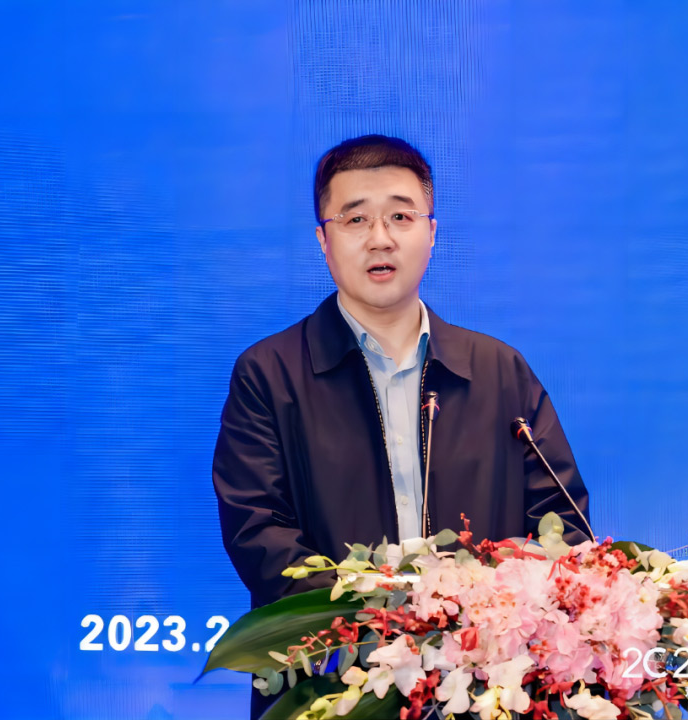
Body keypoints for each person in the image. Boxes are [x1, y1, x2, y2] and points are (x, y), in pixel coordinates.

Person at [211, 134, 591, 714]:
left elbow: (561, 525)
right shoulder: (270, 373)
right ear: (323, 240)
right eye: (355, 219)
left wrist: (474, 623)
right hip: (335, 689)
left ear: (431, 233)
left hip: (484, 687)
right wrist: (386, 623)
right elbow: (258, 533)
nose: (380, 238)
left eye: (400, 216)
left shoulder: (498, 370)